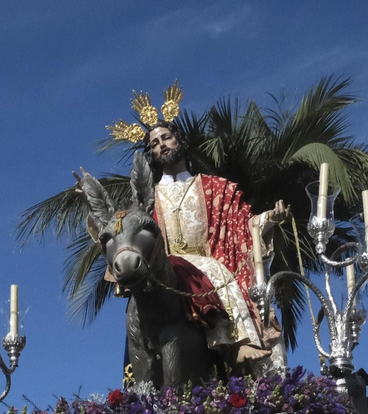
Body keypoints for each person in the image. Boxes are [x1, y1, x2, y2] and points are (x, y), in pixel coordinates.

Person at [118, 101, 284, 367]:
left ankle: (241, 342)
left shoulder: (215, 187)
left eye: (166, 138)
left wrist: (268, 219)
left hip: (209, 265)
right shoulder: (149, 201)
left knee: (216, 272)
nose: (161, 145)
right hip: (167, 269)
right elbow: (128, 233)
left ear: (179, 141)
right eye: (154, 144)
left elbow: (243, 222)